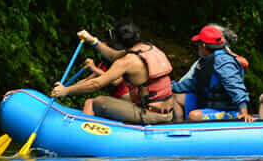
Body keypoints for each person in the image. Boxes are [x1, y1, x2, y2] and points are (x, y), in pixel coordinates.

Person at [49, 22, 178, 124]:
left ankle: (84, 133)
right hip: (167, 112)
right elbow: (112, 55)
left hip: (151, 114)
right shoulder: (149, 48)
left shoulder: (126, 61)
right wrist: (92, 40)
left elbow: (95, 84)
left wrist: (65, 91)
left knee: (96, 102)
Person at [169, 24, 254, 122]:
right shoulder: (205, 60)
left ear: (204, 46)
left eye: (199, 44)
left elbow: (235, 86)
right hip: (209, 104)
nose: (198, 47)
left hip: (229, 110)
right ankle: (179, 128)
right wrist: (169, 87)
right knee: (176, 97)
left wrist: (244, 112)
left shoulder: (224, 61)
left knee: (194, 116)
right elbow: (193, 83)